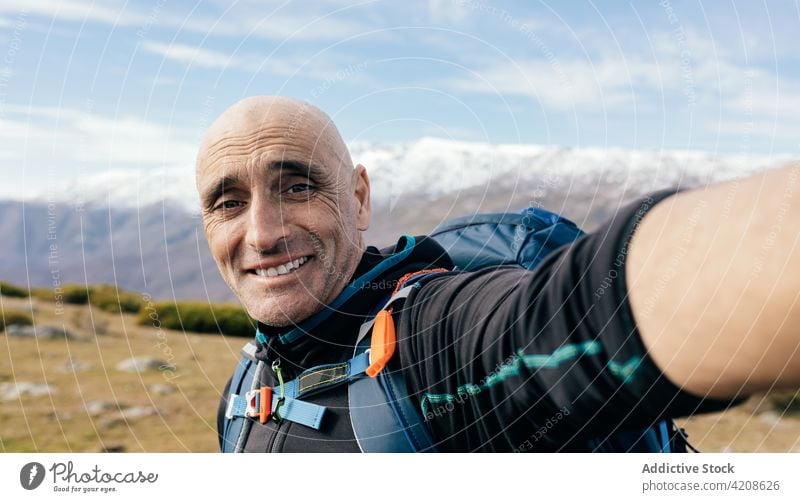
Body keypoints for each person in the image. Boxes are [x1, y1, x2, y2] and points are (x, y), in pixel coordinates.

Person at [196, 95, 800, 452]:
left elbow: (582, 314)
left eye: (298, 186)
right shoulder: (246, 391)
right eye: (228, 204)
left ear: (358, 199)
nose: (261, 233)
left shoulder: (439, 340)